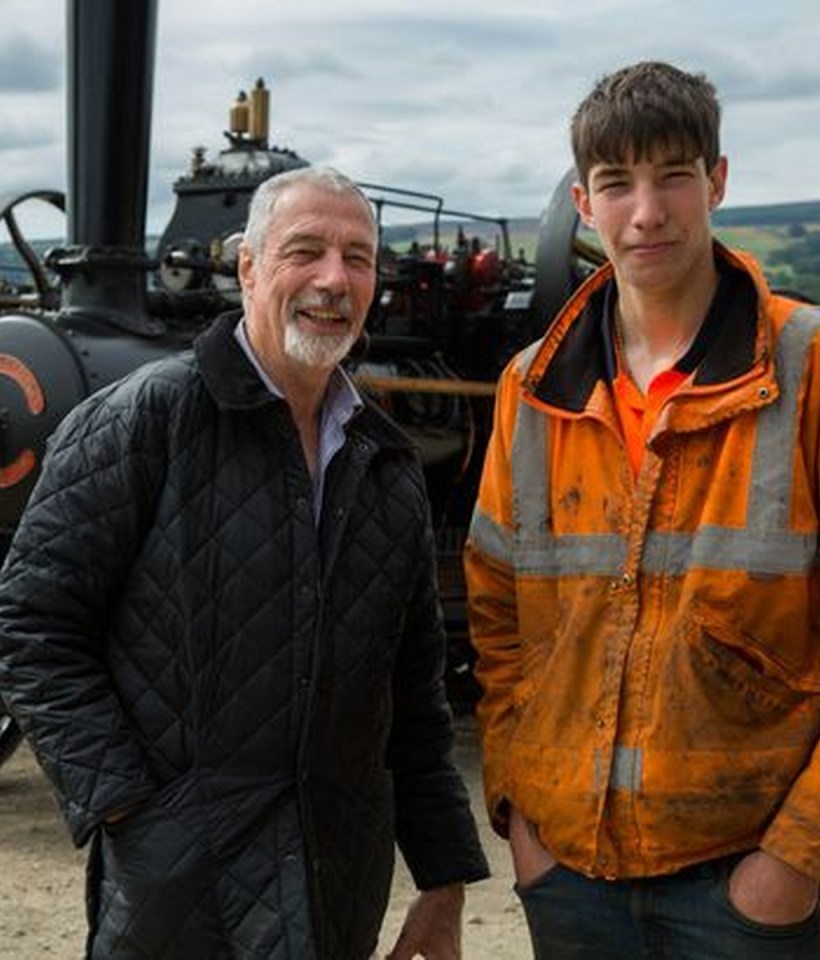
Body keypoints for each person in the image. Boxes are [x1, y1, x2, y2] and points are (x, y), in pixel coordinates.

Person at [464, 60, 820, 959]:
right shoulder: (531, 389)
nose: (646, 212)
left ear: (718, 182)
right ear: (584, 202)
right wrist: (521, 810)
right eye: (617, 184)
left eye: (673, 177)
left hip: (745, 896)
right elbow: (497, 617)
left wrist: (797, 859)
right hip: (568, 881)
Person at [0, 166, 489, 959]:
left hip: (337, 885)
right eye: (307, 251)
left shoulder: (384, 463)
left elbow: (412, 698)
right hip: (177, 900)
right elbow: (31, 624)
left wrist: (443, 883)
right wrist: (133, 811)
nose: (334, 279)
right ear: (250, 268)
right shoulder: (142, 420)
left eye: (358, 258)